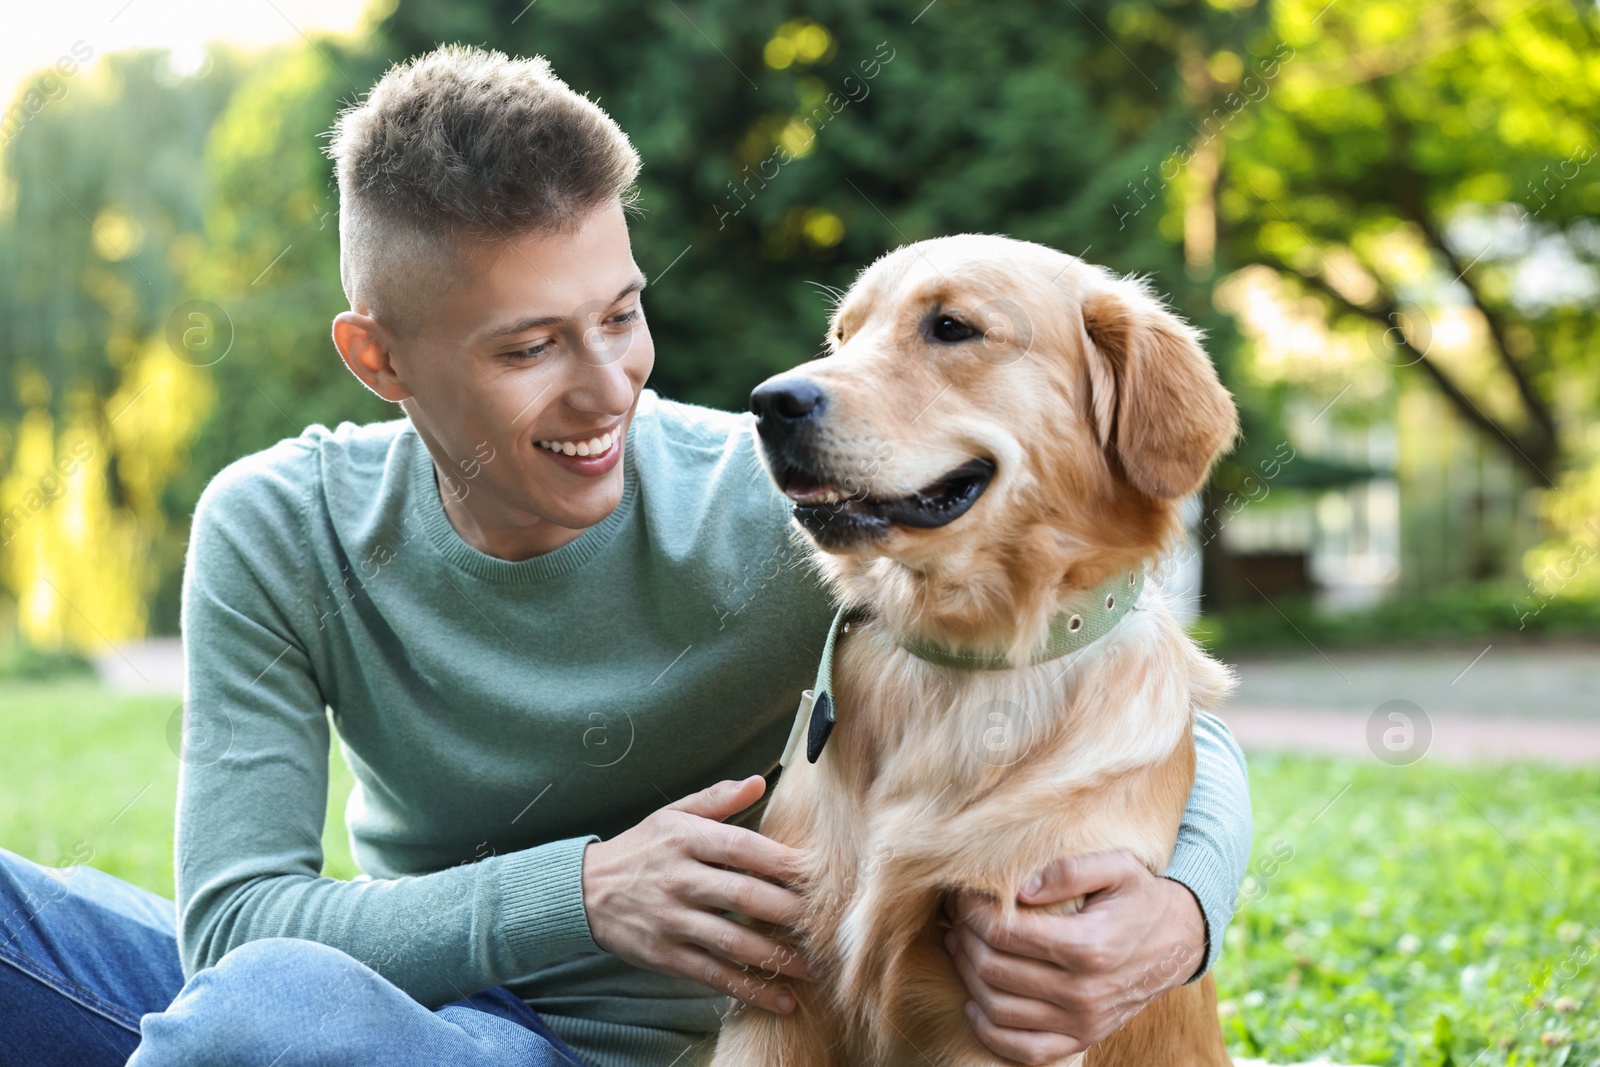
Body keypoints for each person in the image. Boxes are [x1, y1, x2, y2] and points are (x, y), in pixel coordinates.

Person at [0, 43, 1252, 1067]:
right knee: (240, 992)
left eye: (622, 313)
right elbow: (232, 923)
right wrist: (585, 888)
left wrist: (1180, 911)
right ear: (378, 358)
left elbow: (1128, 683)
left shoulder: (815, 509)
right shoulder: (278, 523)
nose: (610, 390)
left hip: (615, 1051)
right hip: (394, 999)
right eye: (529, 345)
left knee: (266, 1022)